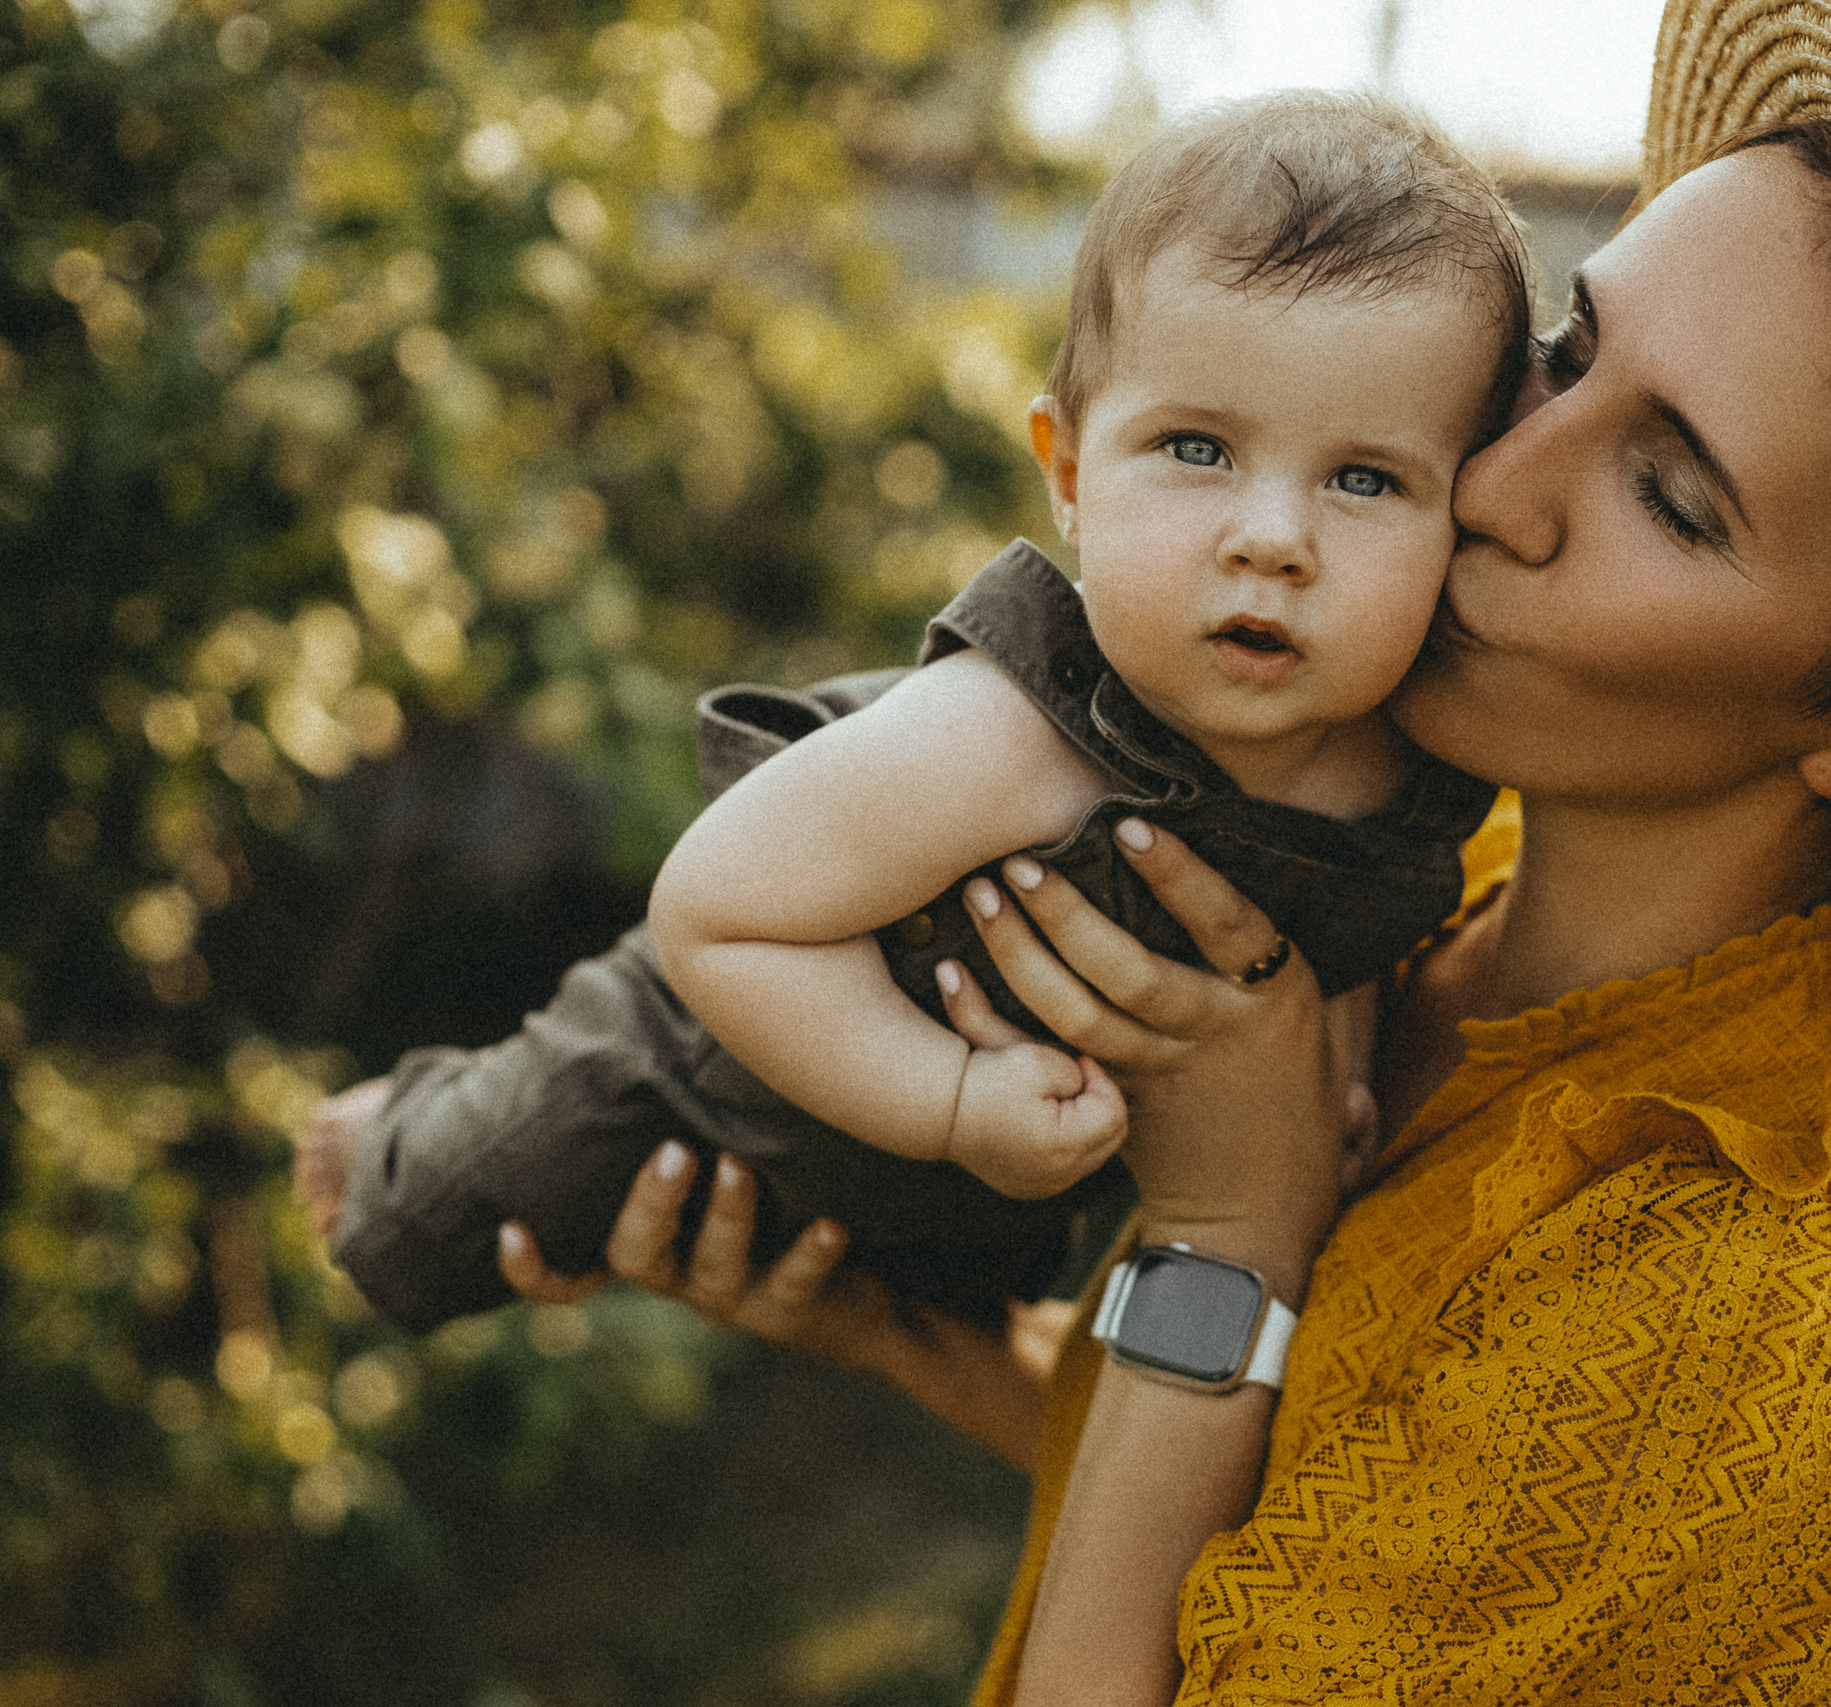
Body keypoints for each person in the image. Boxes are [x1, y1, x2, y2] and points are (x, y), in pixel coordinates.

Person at [471, 0, 1831, 1697]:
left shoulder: (1774, 1300)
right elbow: (1321, 1520)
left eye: (1670, 494)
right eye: (1566, 350)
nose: (1489, 483)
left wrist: (1223, 1234)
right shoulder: (1429, 902)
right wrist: (910, 1333)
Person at [302, 91, 1523, 1334]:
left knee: (915, 1294)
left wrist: (1342, 1070)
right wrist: (949, 1103)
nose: (1272, 540)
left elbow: (1341, 916)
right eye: (1196, 450)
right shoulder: (1002, 734)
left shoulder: (1410, 773)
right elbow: (713, 918)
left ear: (1459, 521)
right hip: (712, 1057)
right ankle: (396, 1125)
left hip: (955, 1194)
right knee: (466, 1214)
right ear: (1067, 476)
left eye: (1365, 478)